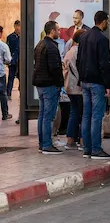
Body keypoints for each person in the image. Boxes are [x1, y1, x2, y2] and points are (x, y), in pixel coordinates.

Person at [77, 11, 110, 159]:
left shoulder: (84, 37)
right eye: (107, 22)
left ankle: (87, 149)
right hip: (97, 82)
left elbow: (79, 60)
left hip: (85, 81)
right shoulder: (102, 39)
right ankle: (96, 149)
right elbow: (104, 64)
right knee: (96, 116)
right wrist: (108, 85)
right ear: (103, 21)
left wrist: (81, 78)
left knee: (86, 115)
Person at [32, 21, 64, 154]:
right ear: (52, 31)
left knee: (42, 115)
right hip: (50, 84)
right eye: (58, 30)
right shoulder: (51, 47)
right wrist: (60, 83)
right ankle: (47, 145)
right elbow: (54, 68)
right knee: (49, 116)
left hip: (40, 83)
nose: (59, 32)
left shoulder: (40, 44)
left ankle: (42, 144)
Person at [62, 29, 84, 150]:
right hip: (78, 87)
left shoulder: (69, 52)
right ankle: (82, 140)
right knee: (83, 114)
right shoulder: (79, 52)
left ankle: (70, 140)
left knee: (74, 112)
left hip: (70, 87)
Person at [6, 20, 19, 98]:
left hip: (21, 61)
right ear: (14, 26)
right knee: (11, 77)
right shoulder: (10, 37)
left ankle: (22, 94)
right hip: (12, 61)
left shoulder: (23, 37)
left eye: (19, 26)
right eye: (16, 26)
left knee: (22, 78)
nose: (18, 27)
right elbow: (7, 49)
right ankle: (8, 94)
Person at [0, 27, 10, 120]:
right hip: (0, 73)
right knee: (2, 94)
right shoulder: (3, 46)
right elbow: (8, 60)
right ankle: (5, 114)